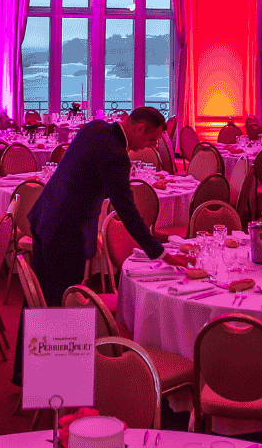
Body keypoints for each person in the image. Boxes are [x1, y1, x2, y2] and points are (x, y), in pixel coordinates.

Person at [14, 107, 183, 383]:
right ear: (140, 129)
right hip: (66, 232)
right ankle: (59, 386)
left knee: (41, 299)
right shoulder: (116, 156)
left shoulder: (96, 128)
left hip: (45, 217)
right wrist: (159, 252)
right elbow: (126, 210)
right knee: (63, 304)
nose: (151, 146)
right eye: (152, 140)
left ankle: (27, 375)